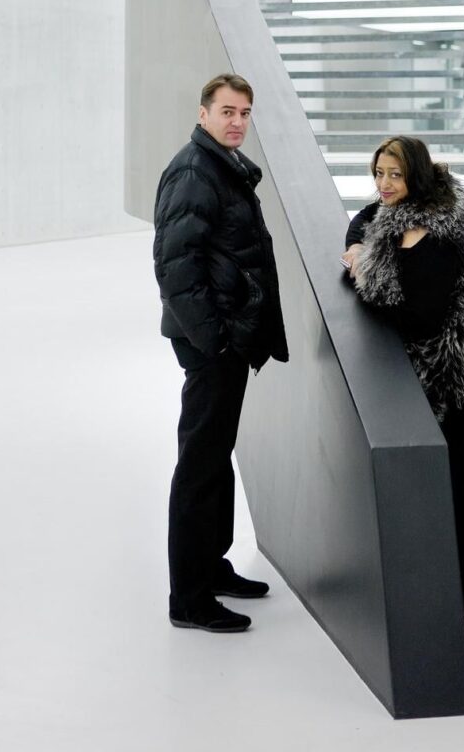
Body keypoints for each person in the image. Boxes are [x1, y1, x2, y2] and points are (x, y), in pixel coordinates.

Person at [342, 136, 464, 616]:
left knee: (457, 481)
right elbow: (363, 219)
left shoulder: (441, 228)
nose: (384, 184)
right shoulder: (399, 210)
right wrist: (357, 245)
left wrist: (365, 272)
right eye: (378, 173)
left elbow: (420, 314)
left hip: (457, 368)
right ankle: (445, 584)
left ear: (415, 175)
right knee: (442, 481)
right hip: (432, 363)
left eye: (394, 175)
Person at [153, 73, 288, 633]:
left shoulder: (222, 167)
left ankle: (212, 566)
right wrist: (218, 340)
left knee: (216, 456)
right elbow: (175, 268)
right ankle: (188, 597)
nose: (236, 122)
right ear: (204, 112)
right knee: (200, 466)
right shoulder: (192, 170)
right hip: (212, 343)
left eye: (244, 113)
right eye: (227, 111)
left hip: (226, 340)